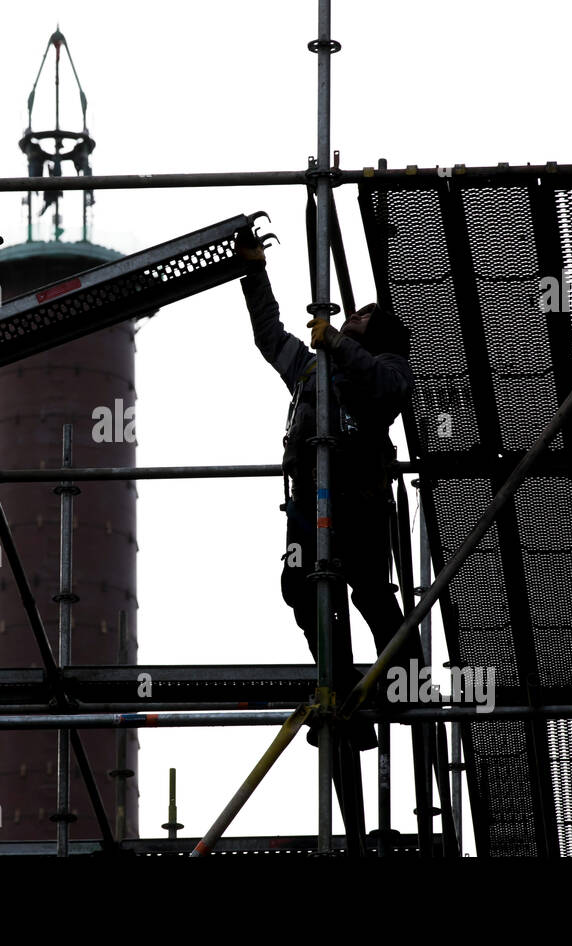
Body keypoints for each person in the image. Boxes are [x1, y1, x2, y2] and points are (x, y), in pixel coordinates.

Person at [239, 232, 422, 752]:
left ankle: (402, 684)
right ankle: (341, 692)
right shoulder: (313, 365)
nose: (350, 317)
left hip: (358, 498)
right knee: (303, 588)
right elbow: (270, 337)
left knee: (369, 591)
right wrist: (254, 273)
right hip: (307, 500)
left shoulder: (385, 369)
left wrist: (339, 344)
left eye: (361, 316)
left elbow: (389, 392)